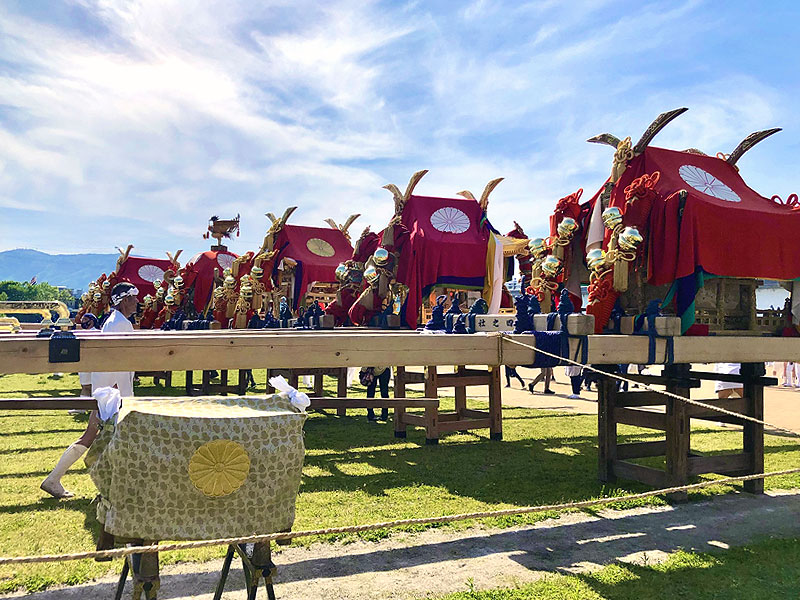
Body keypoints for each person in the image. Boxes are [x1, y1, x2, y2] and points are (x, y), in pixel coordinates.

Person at [41, 282, 139, 499]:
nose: (137, 301)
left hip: (110, 394)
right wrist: (116, 396)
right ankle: (58, 480)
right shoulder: (118, 324)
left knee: (96, 438)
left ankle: (56, 479)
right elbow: (112, 362)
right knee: (98, 438)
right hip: (111, 397)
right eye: (133, 298)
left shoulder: (118, 322)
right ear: (124, 300)